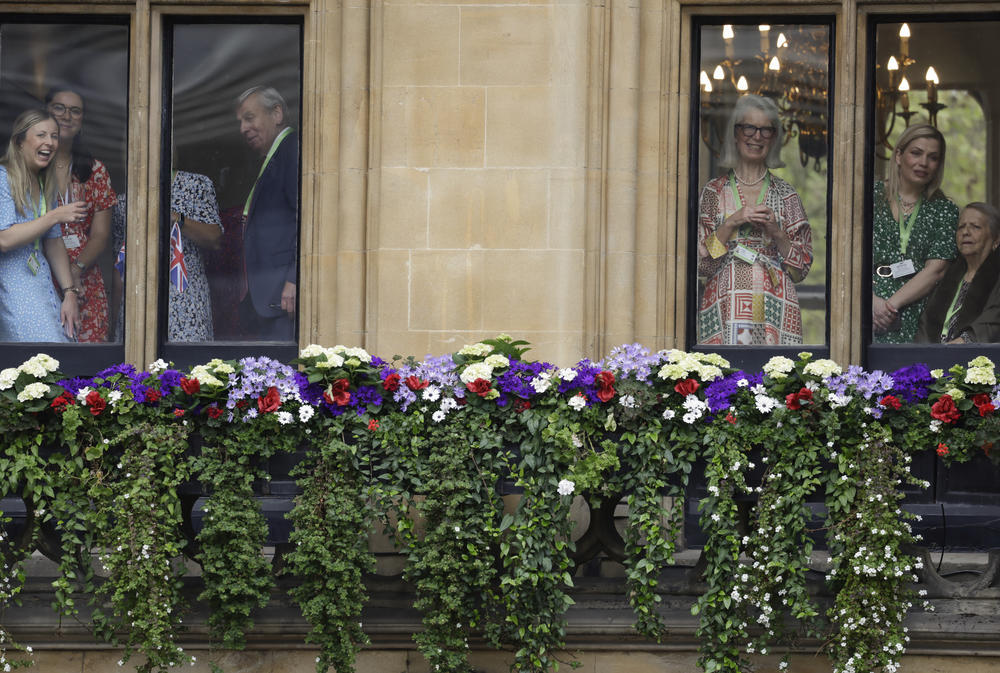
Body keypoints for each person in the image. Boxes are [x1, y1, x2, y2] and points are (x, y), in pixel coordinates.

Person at [696, 94, 813, 345]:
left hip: (774, 306)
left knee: (773, 379)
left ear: (774, 138)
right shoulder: (714, 192)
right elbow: (702, 265)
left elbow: (801, 269)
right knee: (726, 380)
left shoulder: (786, 194)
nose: (756, 136)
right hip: (724, 305)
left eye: (765, 130)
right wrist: (730, 223)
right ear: (735, 133)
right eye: (749, 127)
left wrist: (777, 232)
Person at [0, 109, 87, 341]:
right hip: (13, 288)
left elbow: (54, 241)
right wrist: (54, 215)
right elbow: (4, 239)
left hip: (40, 282)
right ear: (19, 142)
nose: (50, 142)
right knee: (39, 363)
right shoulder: (2, 177)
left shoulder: (42, 182)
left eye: (55, 136)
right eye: (41, 135)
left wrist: (69, 293)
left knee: (58, 353)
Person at [872, 124, 958, 343]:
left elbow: (936, 270)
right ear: (899, 156)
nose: (923, 163)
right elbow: (846, 259)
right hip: (865, 310)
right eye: (916, 153)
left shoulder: (944, 209)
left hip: (917, 316)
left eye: (933, 157)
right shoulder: (868, 196)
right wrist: (871, 303)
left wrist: (889, 307)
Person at [45, 87, 116, 342]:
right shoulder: (33, 165)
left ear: (82, 119)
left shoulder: (95, 170)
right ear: (46, 111)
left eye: (75, 111)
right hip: (41, 272)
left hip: (85, 277)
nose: (67, 116)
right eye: (59, 108)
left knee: (89, 360)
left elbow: (100, 234)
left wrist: (77, 268)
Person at [235, 85, 298, 341]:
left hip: (284, 295)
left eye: (249, 118)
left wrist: (294, 279)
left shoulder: (292, 151)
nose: (242, 129)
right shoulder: (277, 154)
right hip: (270, 296)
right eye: (240, 122)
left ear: (277, 113)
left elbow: (307, 220)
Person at [916, 203, 1000, 343]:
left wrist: (962, 343)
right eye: (961, 227)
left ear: (996, 240)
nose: (965, 232)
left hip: (976, 359)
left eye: (975, 227)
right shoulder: (950, 274)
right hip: (934, 357)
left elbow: (993, 323)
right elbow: (926, 325)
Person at [165, 170, 222, 340]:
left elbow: (215, 239)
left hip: (186, 300)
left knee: (189, 364)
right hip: (138, 299)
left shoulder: (195, 184)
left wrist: (178, 219)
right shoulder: (127, 196)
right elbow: (120, 264)